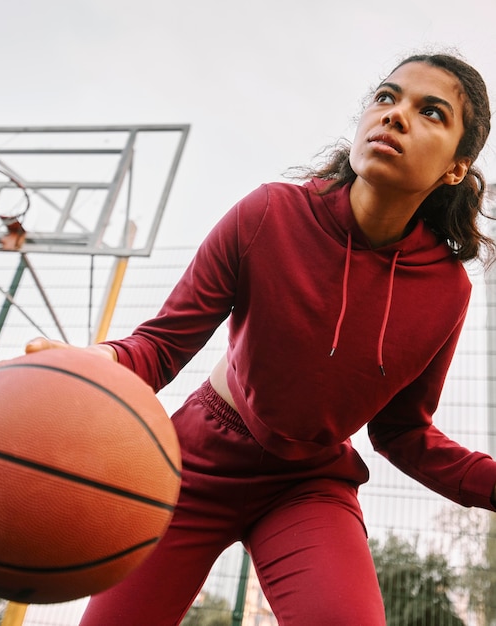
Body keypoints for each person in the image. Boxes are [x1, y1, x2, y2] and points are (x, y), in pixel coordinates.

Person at [27, 52, 496, 625]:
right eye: (385, 97)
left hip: (309, 484)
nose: (395, 116)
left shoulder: (446, 292)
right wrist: (86, 367)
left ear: (456, 167)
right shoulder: (268, 213)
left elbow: (404, 434)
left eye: (430, 112)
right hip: (194, 461)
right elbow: (161, 345)